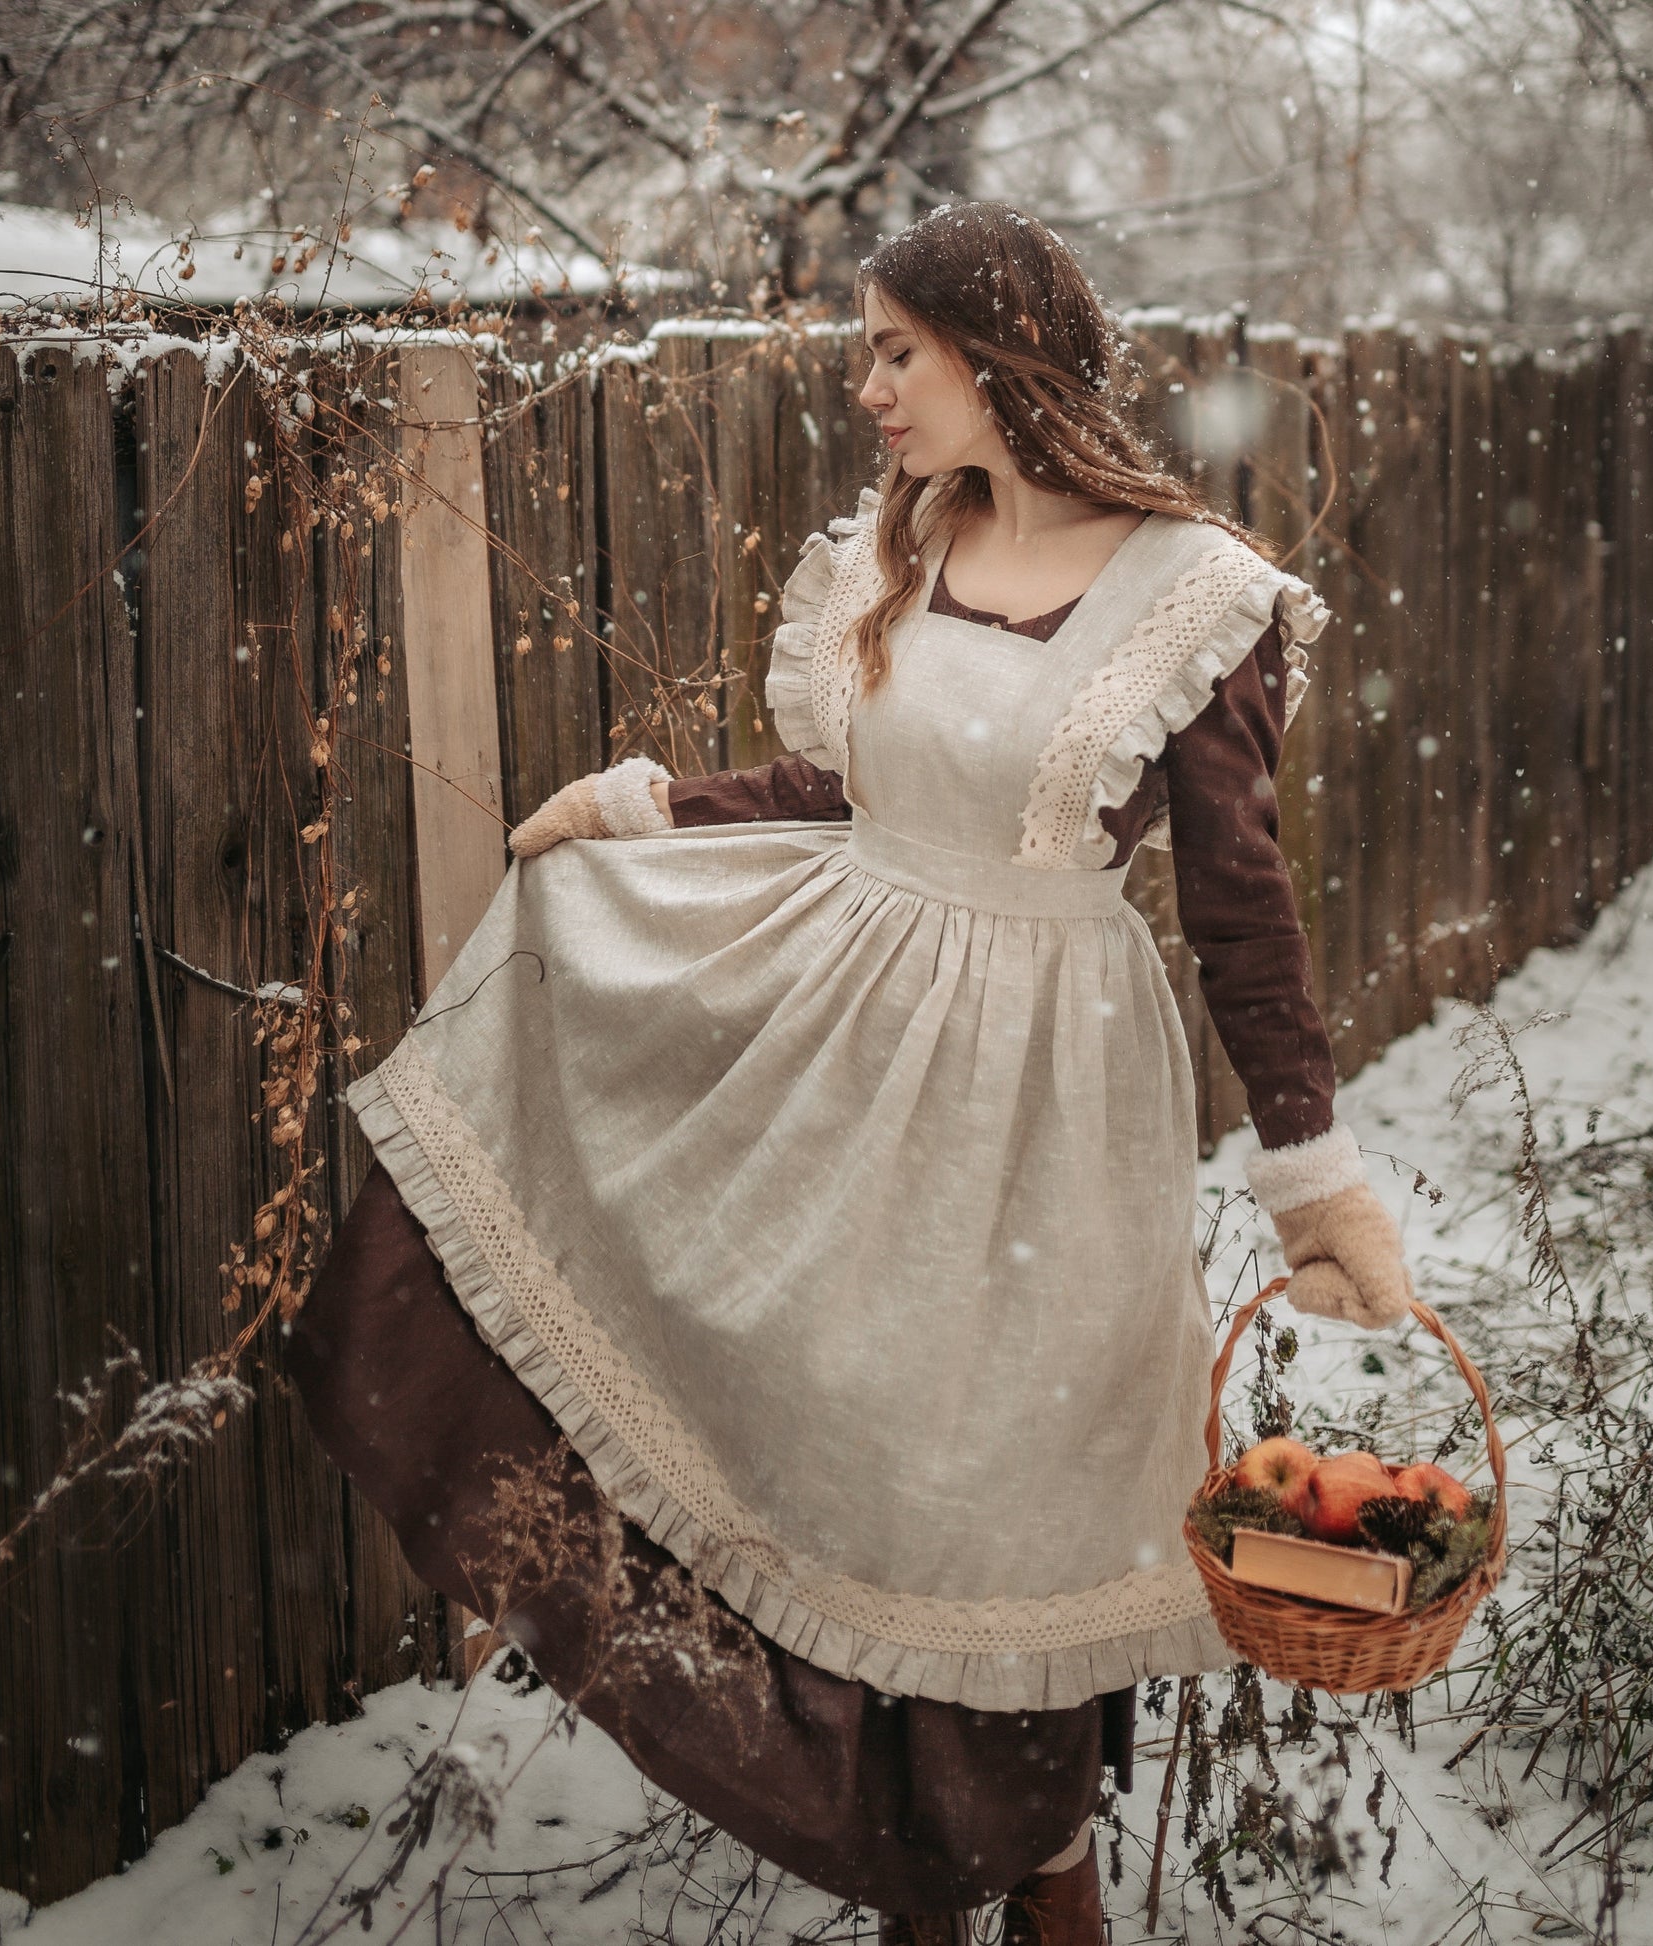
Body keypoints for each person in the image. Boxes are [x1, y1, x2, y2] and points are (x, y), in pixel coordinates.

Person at [287, 201, 1418, 1946]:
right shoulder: (900, 542)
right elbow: (857, 797)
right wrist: (647, 808)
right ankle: (915, 1884)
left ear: (998, 356)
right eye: (868, 348)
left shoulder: (1194, 598)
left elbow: (1241, 909)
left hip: (1044, 1109)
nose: (867, 385)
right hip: (849, 1058)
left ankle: (1034, 1875)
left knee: (1000, 1509)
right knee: (861, 1468)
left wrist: (1313, 1174)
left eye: (897, 349)